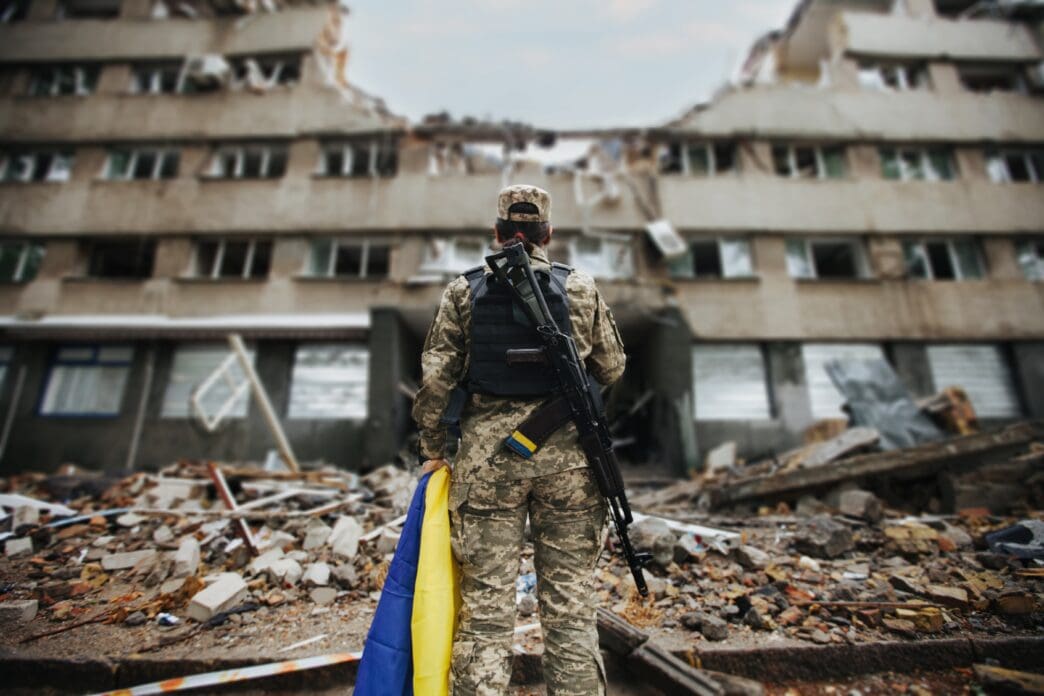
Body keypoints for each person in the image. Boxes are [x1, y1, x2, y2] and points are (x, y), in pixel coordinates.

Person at [412, 184, 627, 696]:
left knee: (485, 613)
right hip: (572, 468)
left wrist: (433, 450)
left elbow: (436, 382)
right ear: (547, 234)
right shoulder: (579, 287)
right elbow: (612, 367)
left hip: (488, 468)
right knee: (571, 611)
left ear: (498, 231)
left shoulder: (463, 291)